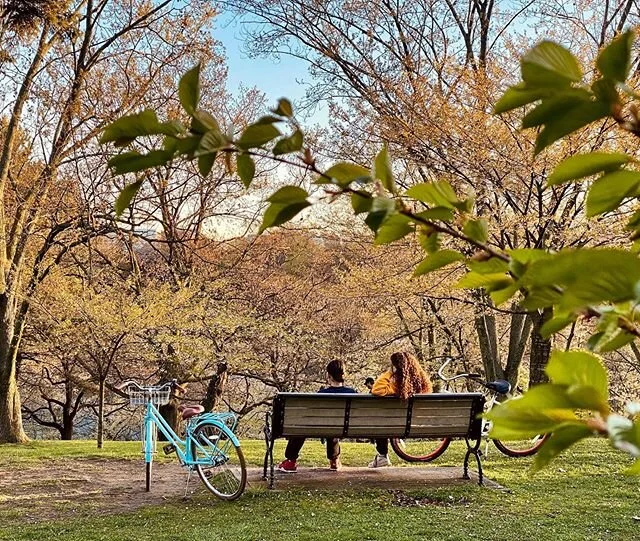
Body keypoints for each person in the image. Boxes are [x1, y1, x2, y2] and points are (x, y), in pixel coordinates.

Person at [277, 360, 357, 473]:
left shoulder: (321, 394)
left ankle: (291, 461)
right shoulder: (353, 393)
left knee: (301, 427)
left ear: (328, 375)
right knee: (334, 426)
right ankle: (334, 460)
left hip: (320, 426)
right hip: (344, 428)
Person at [368, 351, 433, 468]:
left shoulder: (396, 386)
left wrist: (389, 373)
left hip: (395, 424)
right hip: (416, 423)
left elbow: (377, 390)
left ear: (396, 368)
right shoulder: (423, 385)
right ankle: (381, 457)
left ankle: (382, 455)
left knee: (379, 419)